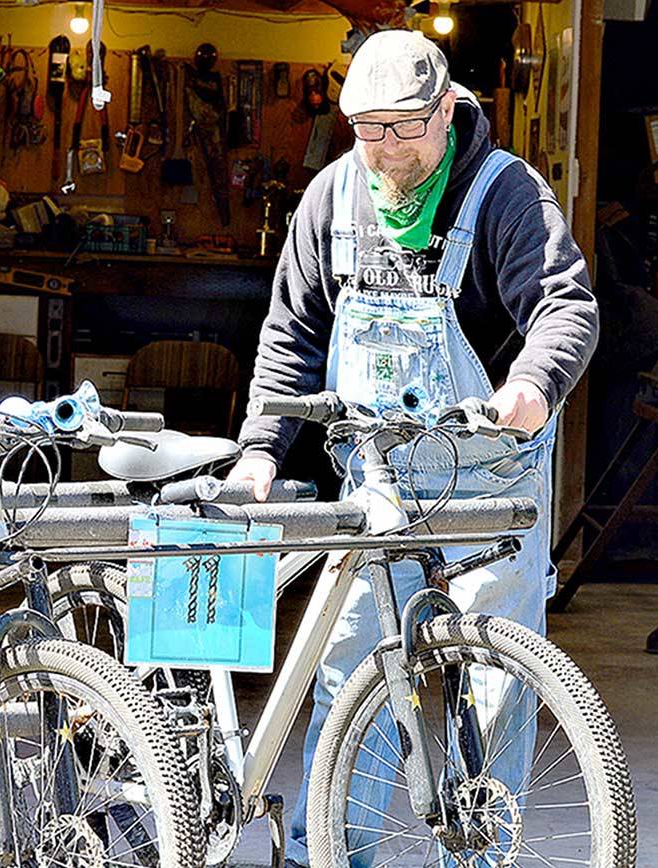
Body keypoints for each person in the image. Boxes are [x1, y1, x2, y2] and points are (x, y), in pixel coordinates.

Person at [227, 29, 598, 865]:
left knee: (495, 686)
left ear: (447, 109)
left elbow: (564, 305)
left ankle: (480, 856)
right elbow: (291, 335)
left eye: (404, 127)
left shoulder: (505, 193)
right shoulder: (330, 199)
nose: (387, 147)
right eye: (369, 129)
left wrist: (533, 386)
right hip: (377, 485)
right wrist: (261, 450)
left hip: (489, 482)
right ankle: (333, 853)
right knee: (351, 678)